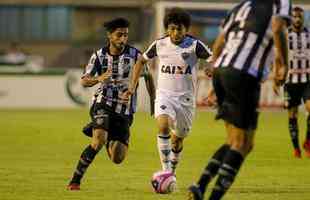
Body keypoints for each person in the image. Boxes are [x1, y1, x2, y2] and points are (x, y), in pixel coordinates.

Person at [187, 0, 291, 199]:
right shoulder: (281, 2)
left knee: (235, 141)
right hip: (244, 74)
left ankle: (199, 186)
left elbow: (220, 42)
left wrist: (217, 79)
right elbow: (278, 29)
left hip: (223, 71)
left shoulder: (241, 6)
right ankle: (212, 196)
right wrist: (284, 65)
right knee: (242, 144)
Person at [67, 17, 155, 190]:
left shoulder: (136, 55)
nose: (123, 39)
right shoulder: (98, 56)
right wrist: (98, 78)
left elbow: (149, 77)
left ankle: (102, 130)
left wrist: (154, 101)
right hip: (103, 102)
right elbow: (84, 81)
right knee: (98, 140)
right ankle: (75, 180)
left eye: (126, 35)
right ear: (109, 35)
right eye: (119, 35)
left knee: (117, 158)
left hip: (125, 109)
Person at [123, 8, 212, 175]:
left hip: (186, 100)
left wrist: (210, 68)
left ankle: (172, 169)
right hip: (164, 96)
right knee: (163, 126)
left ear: (187, 29)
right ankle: (166, 172)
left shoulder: (195, 45)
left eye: (180, 29)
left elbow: (215, 60)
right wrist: (132, 85)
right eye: (172, 28)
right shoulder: (160, 44)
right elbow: (140, 61)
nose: (176, 32)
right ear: (167, 29)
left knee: (177, 141)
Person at [283, 6, 310, 158]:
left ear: (303, 18)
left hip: (307, 79)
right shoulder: (285, 35)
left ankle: (307, 141)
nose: (297, 19)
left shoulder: (309, 34)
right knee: (292, 115)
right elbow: (278, 56)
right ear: (291, 18)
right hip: (290, 80)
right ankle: (296, 148)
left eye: (300, 17)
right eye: (295, 17)